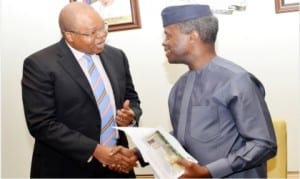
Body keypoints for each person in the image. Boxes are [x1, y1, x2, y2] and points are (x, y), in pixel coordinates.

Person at [21, 2, 142, 178]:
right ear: (69, 36)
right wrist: (95, 150)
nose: (102, 36)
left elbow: (132, 99)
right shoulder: (40, 64)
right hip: (67, 168)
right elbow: (42, 123)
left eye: (103, 28)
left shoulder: (117, 56)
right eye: (92, 33)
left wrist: (131, 116)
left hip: (118, 166)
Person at [160, 4, 277, 178]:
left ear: (193, 36)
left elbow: (263, 144)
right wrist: (138, 153)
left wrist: (209, 172)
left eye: (168, 35)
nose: (164, 42)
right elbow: (185, 136)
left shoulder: (236, 80)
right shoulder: (179, 87)